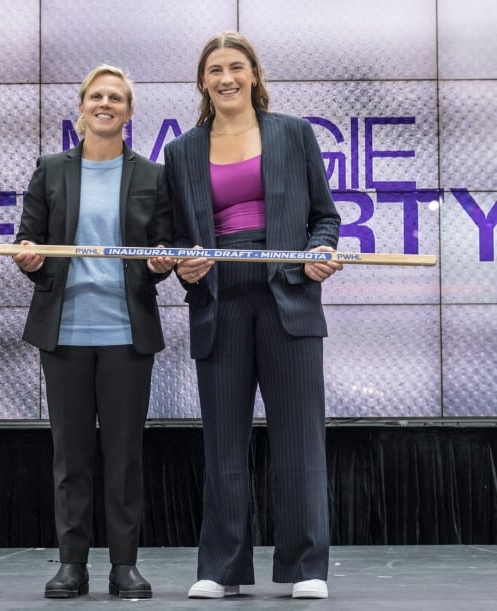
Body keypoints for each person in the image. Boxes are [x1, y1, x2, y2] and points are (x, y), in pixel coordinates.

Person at [163, 31, 343, 600]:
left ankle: (305, 566)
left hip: (288, 294)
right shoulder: (183, 150)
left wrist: (318, 254)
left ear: (255, 75)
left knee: (299, 440)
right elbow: (174, 238)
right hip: (219, 299)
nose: (226, 78)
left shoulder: (293, 134)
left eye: (236, 67)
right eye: (215, 69)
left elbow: (325, 218)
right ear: (202, 82)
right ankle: (222, 568)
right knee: (223, 443)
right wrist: (182, 267)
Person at [13, 64, 176, 600]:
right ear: (81, 108)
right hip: (65, 333)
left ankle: (124, 565)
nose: (105, 104)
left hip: (127, 333)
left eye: (116, 98)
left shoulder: (153, 175)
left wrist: (159, 265)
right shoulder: (50, 169)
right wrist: (31, 260)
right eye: (96, 96)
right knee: (72, 456)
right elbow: (28, 241)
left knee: (125, 456)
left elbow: (163, 248)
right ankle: (72, 564)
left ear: (128, 112)